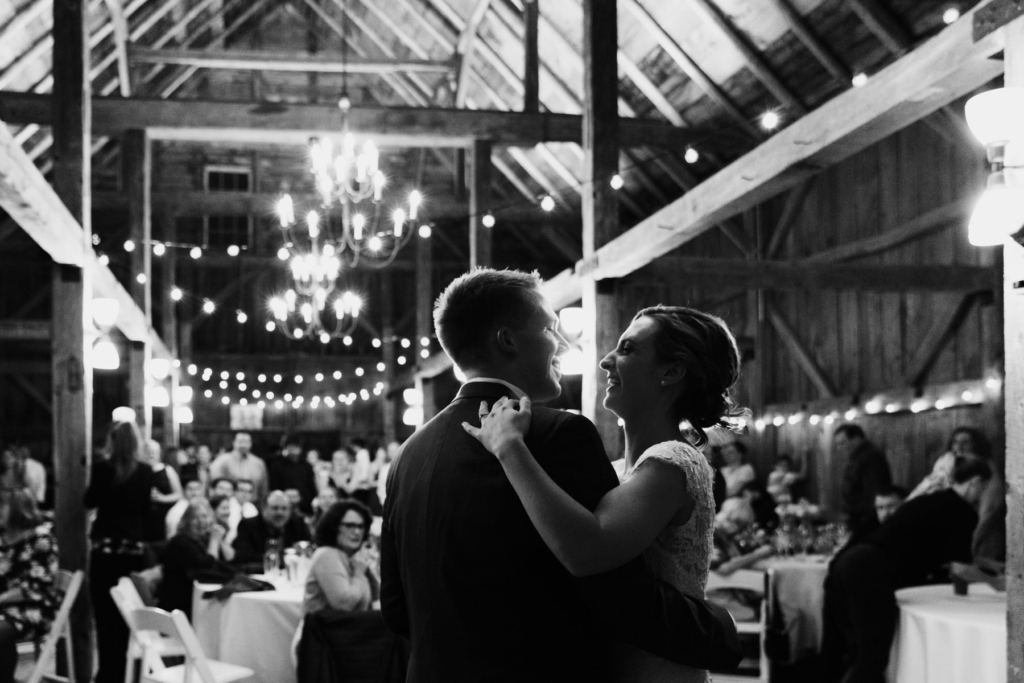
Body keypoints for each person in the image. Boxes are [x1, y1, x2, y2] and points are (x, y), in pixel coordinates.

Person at [382, 268, 740, 682]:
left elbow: (395, 609)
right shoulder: (559, 435)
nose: (571, 345)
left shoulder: (407, 455)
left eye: (626, 348)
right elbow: (612, 594)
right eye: (552, 329)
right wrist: (716, 628)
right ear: (508, 340)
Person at [466, 303, 745, 682]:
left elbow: (586, 552)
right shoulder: (617, 470)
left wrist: (509, 448)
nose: (605, 361)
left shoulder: (675, 462)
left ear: (672, 371)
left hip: (657, 668)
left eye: (628, 349)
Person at [821, 456, 990, 683]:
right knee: (872, 658)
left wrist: (991, 565)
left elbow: (953, 557)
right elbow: (959, 567)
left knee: (855, 652)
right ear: (975, 482)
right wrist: (998, 584)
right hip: (870, 573)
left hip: (851, 563)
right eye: (984, 488)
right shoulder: (963, 512)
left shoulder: (930, 500)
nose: (982, 495)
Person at [85, 421, 157, 683]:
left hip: (105, 551)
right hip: (132, 551)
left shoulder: (103, 469)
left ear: (112, 442)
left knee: (105, 617)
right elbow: (145, 511)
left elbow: (89, 501)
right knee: (128, 614)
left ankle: (107, 674)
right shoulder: (147, 471)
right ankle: (129, 673)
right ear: (137, 443)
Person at [0, 489, 60, 683]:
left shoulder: (41, 540)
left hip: (34, 608)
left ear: (18, 510)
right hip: (6, 608)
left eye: (2, 506)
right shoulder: (3, 540)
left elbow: (35, 587)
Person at [158, 499, 234, 619]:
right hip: (180, 610)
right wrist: (214, 540)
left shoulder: (202, 541)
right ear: (186, 521)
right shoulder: (180, 542)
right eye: (195, 518)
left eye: (205, 516)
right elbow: (206, 567)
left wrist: (219, 540)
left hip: (198, 603)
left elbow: (230, 558)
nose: (201, 522)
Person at [303, 500, 379, 614]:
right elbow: (344, 604)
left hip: (351, 629)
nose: (357, 532)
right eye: (350, 526)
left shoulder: (353, 557)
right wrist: (359, 573)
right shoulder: (327, 555)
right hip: (326, 630)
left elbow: (375, 600)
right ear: (333, 527)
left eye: (361, 526)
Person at [833, 424, 892, 537]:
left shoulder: (870, 457)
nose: (840, 448)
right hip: (857, 517)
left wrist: (862, 521)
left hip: (864, 521)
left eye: (843, 443)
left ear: (856, 439)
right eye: (838, 444)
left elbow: (873, 493)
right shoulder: (859, 456)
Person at [232, 490, 312, 570]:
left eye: (284, 509)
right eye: (275, 508)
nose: (280, 513)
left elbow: (309, 551)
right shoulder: (247, 525)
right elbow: (244, 557)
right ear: (264, 509)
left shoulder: (298, 524)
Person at [210, 432, 268, 502]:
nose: (243, 445)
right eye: (240, 441)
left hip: (254, 505)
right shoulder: (222, 461)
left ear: (251, 443)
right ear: (233, 442)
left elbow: (264, 489)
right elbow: (214, 485)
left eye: (246, 442)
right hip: (228, 505)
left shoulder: (259, 463)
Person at [267, 435, 318, 514]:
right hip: (282, 507)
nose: (294, 448)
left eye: (297, 445)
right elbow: (273, 487)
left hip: (304, 507)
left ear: (301, 448)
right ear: (286, 447)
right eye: (292, 445)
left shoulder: (307, 466)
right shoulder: (276, 465)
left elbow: (311, 488)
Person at [143, 440, 183, 542]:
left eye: (154, 452)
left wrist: (162, 498)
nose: (151, 455)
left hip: (163, 515)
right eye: (149, 451)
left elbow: (179, 494)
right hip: (144, 515)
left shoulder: (167, 470)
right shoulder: (139, 470)